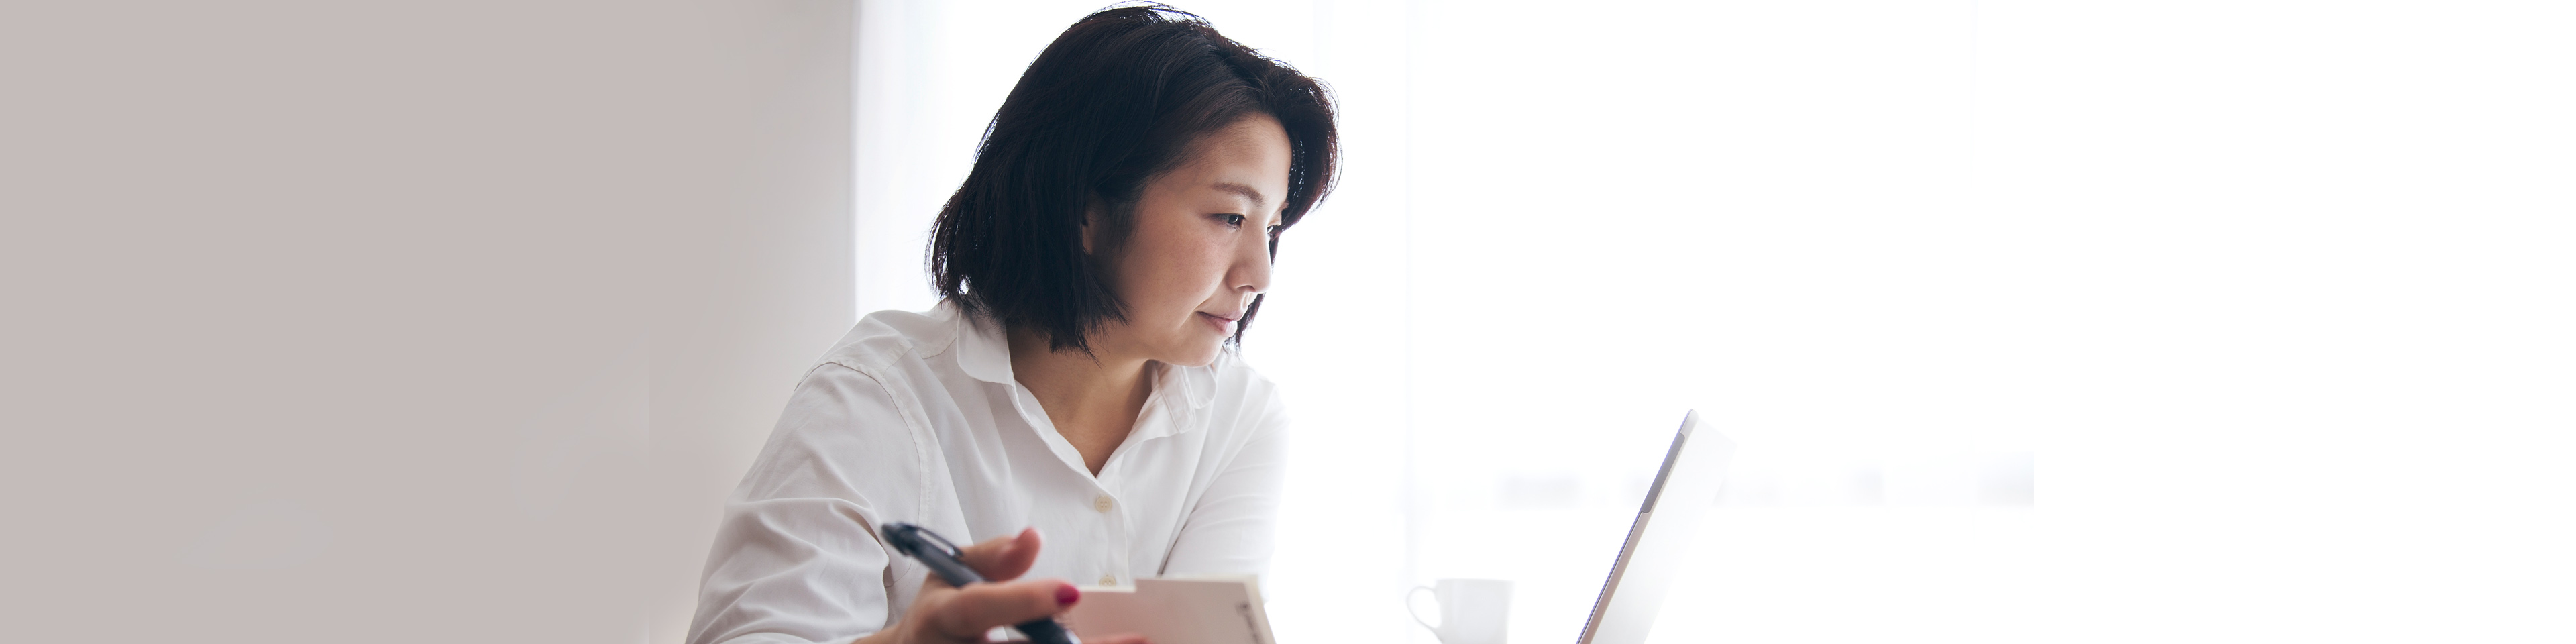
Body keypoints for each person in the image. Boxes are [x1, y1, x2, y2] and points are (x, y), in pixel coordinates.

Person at [683, 6, 1337, 644]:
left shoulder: (1239, 418)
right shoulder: (875, 397)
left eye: (1271, 229)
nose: (1260, 273)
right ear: (1086, 211)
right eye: (1229, 218)